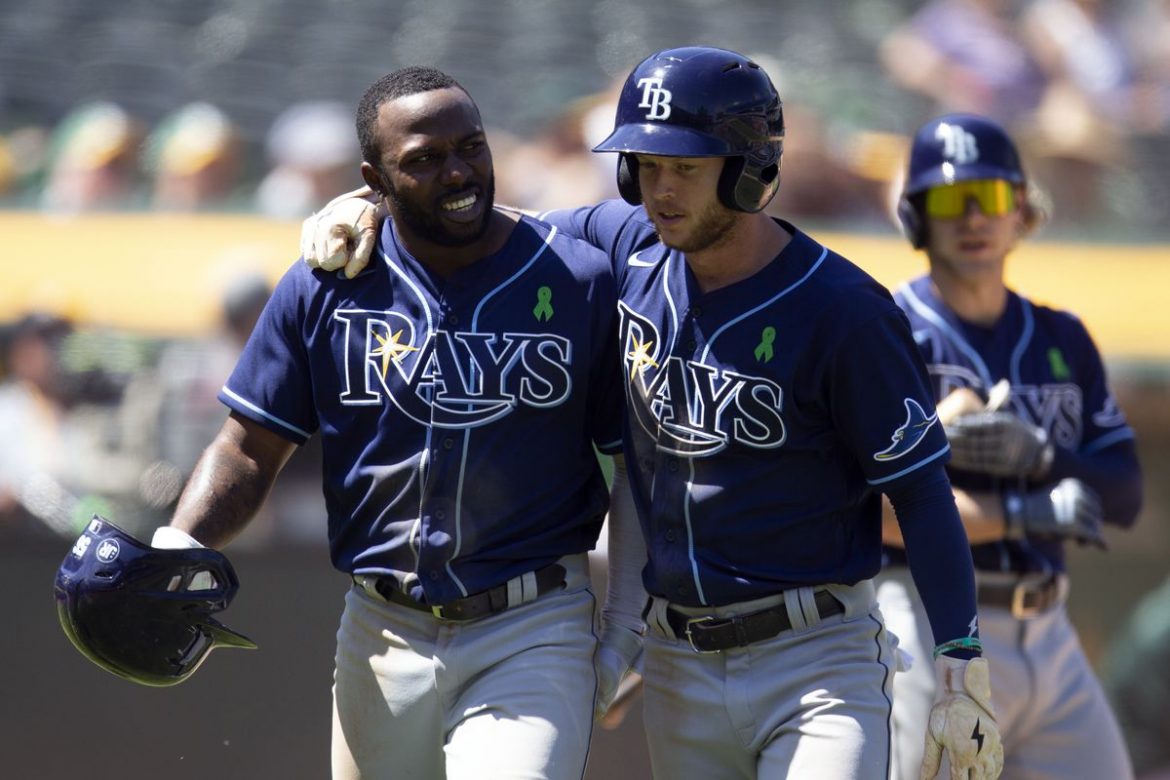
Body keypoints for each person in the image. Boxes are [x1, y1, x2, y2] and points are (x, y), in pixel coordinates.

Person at [301, 46, 1004, 780]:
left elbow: (921, 494)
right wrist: (375, 205)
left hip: (817, 657)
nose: (661, 189)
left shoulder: (845, 313)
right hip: (680, 660)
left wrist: (960, 660)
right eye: (646, 164)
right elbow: (489, 221)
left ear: (749, 168)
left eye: (687, 168)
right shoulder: (626, 242)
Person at [152, 66, 631, 780]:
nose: (458, 170)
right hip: (380, 630)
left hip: (533, 627)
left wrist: (625, 625)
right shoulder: (325, 282)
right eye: (425, 161)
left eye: (470, 146)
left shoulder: (578, 278)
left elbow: (637, 467)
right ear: (375, 179)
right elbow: (249, 449)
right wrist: (176, 547)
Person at [876, 112, 1143, 780]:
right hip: (930, 621)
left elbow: (1126, 492)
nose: (971, 217)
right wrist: (1021, 509)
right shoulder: (887, 329)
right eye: (947, 199)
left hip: (1049, 628)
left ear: (1022, 210)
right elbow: (873, 507)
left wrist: (1041, 456)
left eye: (989, 197)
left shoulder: (1062, 336)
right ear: (915, 217)